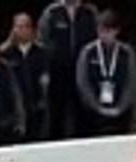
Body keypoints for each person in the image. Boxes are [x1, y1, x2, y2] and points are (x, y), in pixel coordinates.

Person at [38, 0, 98, 139]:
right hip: (58, 72)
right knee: (57, 115)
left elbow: (96, 42)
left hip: (83, 72)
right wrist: (45, 71)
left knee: (83, 114)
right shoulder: (51, 12)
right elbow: (42, 44)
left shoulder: (90, 12)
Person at [75, 10, 136, 137]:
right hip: (92, 113)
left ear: (116, 31)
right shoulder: (88, 52)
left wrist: (121, 107)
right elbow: (82, 82)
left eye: (108, 31)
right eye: (101, 31)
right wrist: (97, 107)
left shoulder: (126, 52)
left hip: (120, 112)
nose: (104, 35)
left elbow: (132, 82)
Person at [1, 13, 50, 142]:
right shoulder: (6, 54)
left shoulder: (42, 53)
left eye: (25, 26)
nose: (22, 30)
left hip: (36, 107)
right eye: (18, 27)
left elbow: (46, 79)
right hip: (14, 109)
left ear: (32, 29)